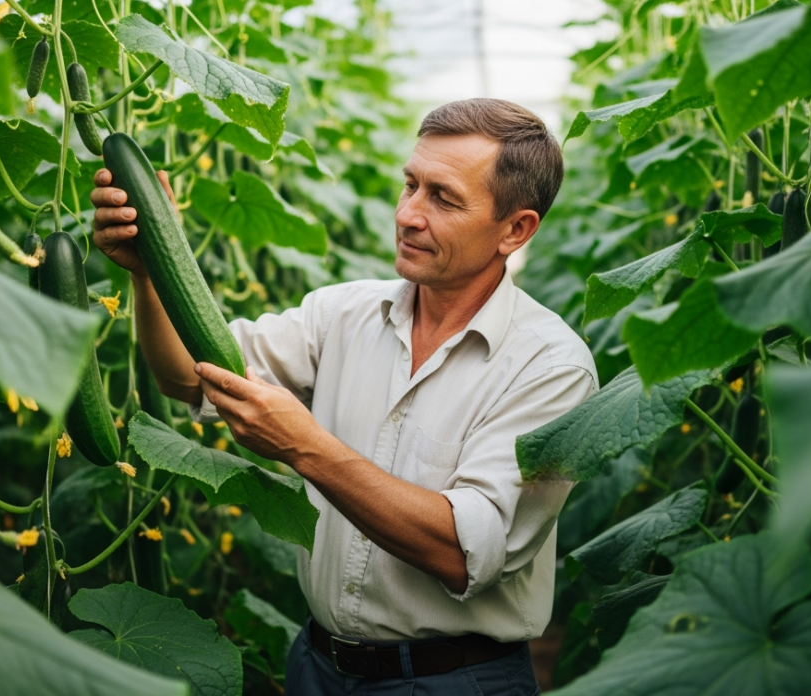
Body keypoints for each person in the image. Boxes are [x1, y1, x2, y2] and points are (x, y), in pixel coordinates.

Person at [91, 98, 596, 695]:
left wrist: (305, 447)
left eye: (443, 198)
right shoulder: (344, 313)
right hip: (317, 667)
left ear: (516, 229)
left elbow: (463, 551)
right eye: (411, 184)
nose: (409, 214)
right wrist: (151, 270)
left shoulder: (551, 367)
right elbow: (189, 376)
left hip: (456, 681)